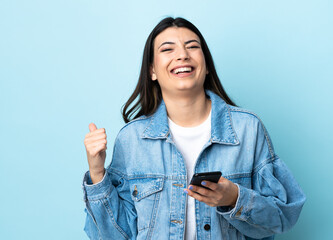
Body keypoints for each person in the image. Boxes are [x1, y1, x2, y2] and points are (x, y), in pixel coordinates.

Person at [82, 17, 306, 240]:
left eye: (192, 46)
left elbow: (282, 217)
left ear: (206, 66)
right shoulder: (132, 139)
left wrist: (234, 198)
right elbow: (114, 235)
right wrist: (97, 173)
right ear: (152, 71)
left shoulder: (248, 129)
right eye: (168, 49)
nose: (182, 55)